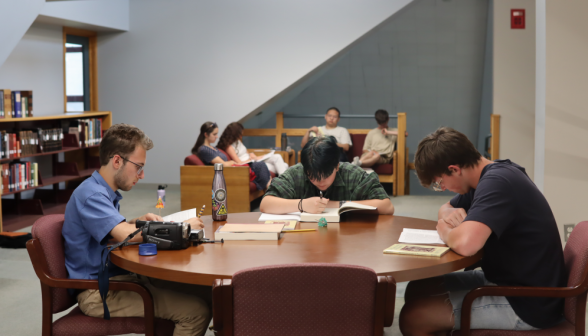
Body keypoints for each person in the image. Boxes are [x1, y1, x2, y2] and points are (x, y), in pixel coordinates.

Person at [399, 127, 567, 335]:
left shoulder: (497, 183)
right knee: (419, 286)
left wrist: (444, 230)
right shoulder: (486, 177)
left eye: (439, 182)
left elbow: (467, 244)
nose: (442, 188)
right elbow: (446, 208)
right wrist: (448, 214)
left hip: (528, 301)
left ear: (454, 169)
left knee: (414, 317)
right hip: (505, 280)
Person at [63, 124, 210, 336]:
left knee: (210, 292)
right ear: (116, 161)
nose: (141, 175)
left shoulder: (103, 191)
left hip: (119, 278)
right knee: (196, 312)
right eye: (138, 167)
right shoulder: (92, 195)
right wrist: (182, 227)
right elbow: (125, 235)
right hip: (98, 292)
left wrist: (135, 221)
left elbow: (112, 233)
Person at [260, 135, 394, 215]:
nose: (320, 182)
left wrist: (336, 205)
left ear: (337, 166)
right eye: (312, 176)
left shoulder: (352, 174)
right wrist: (302, 204)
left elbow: (387, 206)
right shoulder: (297, 172)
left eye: (325, 176)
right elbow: (266, 204)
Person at [191, 121, 271, 190]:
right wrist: (232, 162)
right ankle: (269, 193)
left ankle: (270, 191)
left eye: (217, 134)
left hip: (232, 169)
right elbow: (224, 164)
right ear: (206, 134)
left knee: (260, 165)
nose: (217, 136)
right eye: (214, 134)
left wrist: (232, 162)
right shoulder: (204, 149)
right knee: (260, 165)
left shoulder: (212, 148)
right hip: (228, 173)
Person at [217, 122, 289, 176]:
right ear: (233, 134)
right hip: (250, 164)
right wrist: (252, 160)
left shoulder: (237, 141)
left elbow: (246, 152)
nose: (241, 137)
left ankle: (285, 185)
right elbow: (239, 163)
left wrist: (252, 155)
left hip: (253, 160)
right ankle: (286, 185)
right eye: (239, 135)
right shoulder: (229, 147)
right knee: (284, 165)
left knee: (277, 157)